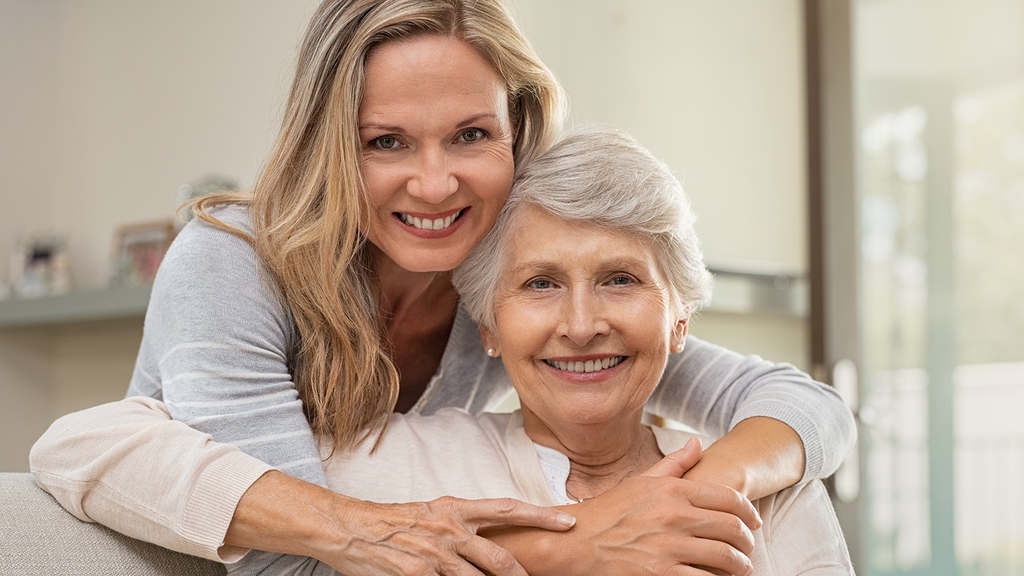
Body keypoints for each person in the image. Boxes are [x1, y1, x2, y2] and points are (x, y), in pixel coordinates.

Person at [31, 0, 856, 573]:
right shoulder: (233, 262)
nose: (435, 185)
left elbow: (803, 405)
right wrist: (575, 545)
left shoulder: (505, 281)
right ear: (331, 147)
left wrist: (674, 505)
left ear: (518, 128)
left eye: (470, 134)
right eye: (387, 141)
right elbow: (289, 565)